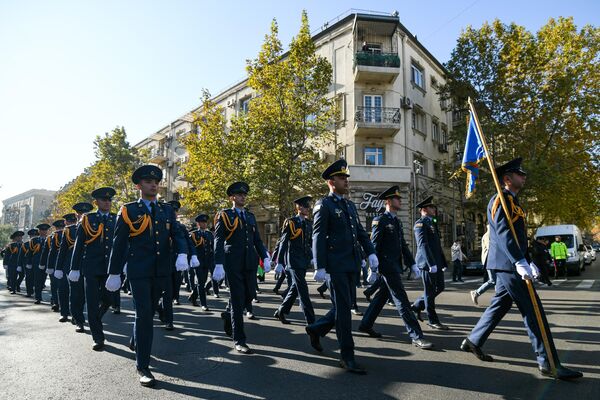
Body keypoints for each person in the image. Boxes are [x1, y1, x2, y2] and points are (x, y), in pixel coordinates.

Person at [461, 157, 582, 380]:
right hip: (508, 266)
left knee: (499, 305)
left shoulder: (512, 200)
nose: (524, 176)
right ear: (507, 179)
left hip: (510, 264)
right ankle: (549, 363)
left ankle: (473, 340)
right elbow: (504, 232)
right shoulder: (500, 199)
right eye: (519, 173)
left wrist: (528, 260)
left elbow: (517, 236)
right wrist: (518, 261)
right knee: (534, 312)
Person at [105, 165, 189, 387]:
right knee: (143, 314)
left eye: (156, 181)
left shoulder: (166, 210)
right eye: (148, 181)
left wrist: (182, 253)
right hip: (139, 271)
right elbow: (119, 243)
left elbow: (178, 234)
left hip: (161, 271)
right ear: (138, 185)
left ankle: (136, 339)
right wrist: (114, 272)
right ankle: (143, 366)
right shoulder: (128, 210)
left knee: (150, 312)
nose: (154, 184)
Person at [305, 159, 377, 374]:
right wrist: (320, 266)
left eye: (346, 177)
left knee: (342, 307)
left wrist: (370, 252)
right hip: (335, 265)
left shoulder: (349, 204)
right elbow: (317, 235)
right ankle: (347, 356)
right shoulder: (324, 205)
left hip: (351, 264)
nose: (346, 180)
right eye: (342, 177)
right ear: (331, 181)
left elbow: (360, 232)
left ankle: (316, 329)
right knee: (344, 312)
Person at [358, 185, 433, 349]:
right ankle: (416, 336)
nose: (400, 200)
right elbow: (374, 245)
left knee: (381, 297)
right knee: (402, 301)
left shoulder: (396, 221)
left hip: (394, 265)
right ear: (389, 201)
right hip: (386, 266)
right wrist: (373, 268)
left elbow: (403, 246)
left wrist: (412, 264)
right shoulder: (380, 220)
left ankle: (366, 323)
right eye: (397, 198)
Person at [214, 181, 270, 354]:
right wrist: (218, 263)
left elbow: (257, 240)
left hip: (250, 262)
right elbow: (219, 240)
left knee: (250, 294)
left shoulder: (250, 216)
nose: (242, 197)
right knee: (238, 300)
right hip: (233, 262)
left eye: (244, 195)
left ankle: (228, 314)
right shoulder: (224, 215)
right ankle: (239, 339)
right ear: (232, 197)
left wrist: (265, 256)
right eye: (239, 195)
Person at [69, 188, 117, 350]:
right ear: (96, 202)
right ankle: (98, 338)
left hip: (109, 268)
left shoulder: (115, 219)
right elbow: (79, 244)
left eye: (109, 200)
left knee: (109, 299)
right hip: (91, 267)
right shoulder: (88, 219)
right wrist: (74, 268)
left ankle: (94, 317)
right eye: (104, 200)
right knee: (91, 302)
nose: (107, 203)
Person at [273, 196, 316, 326]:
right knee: (303, 290)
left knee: (295, 288)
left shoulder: (309, 224)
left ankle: (281, 311)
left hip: (304, 260)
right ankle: (311, 321)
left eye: (308, 206)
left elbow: (310, 242)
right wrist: (280, 262)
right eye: (305, 206)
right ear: (298, 207)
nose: (308, 208)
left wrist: (314, 257)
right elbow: (283, 242)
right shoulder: (290, 222)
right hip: (293, 260)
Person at [410, 196, 449, 330]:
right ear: (424, 209)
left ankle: (416, 305)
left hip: (436, 263)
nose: (434, 209)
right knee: (429, 292)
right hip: (427, 264)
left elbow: (437, 246)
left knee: (440, 287)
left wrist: (442, 263)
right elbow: (423, 245)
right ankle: (433, 320)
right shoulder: (420, 224)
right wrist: (431, 263)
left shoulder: (432, 223)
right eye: (432, 207)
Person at [189, 214, 214, 311]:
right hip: (198, 262)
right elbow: (191, 248)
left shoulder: (209, 234)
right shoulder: (194, 234)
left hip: (208, 261)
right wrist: (192, 259)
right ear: (198, 223)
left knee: (202, 281)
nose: (204, 224)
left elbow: (212, 248)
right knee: (200, 282)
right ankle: (204, 304)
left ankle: (193, 296)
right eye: (202, 222)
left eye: (205, 222)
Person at [41, 220, 65, 312]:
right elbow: (46, 252)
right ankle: (55, 302)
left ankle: (63, 303)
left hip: (65, 264)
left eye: (62, 227)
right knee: (54, 284)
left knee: (64, 285)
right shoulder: (50, 238)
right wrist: (45, 265)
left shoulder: (70, 234)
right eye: (59, 227)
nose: (60, 229)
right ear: (55, 228)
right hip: (54, 264)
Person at [470, 225, 495, 306]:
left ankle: (501, 298)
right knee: (493, 280)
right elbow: (491, 247)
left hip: (492, 261)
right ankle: (476, 292)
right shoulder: (488, 235)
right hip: (490, 261)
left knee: (498, 280)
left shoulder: (490, 235)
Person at [32, 224, 51, 304]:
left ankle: (54, 300)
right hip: (37, 263)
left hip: (48, 263)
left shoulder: (51, 239)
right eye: (42, 230)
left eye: (45, 230)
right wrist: (29, 263)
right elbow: (30, 252)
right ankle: (38, 297)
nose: (43, 232)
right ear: (39, 231)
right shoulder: (34, 240)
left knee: (48, 281)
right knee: (37, 281)